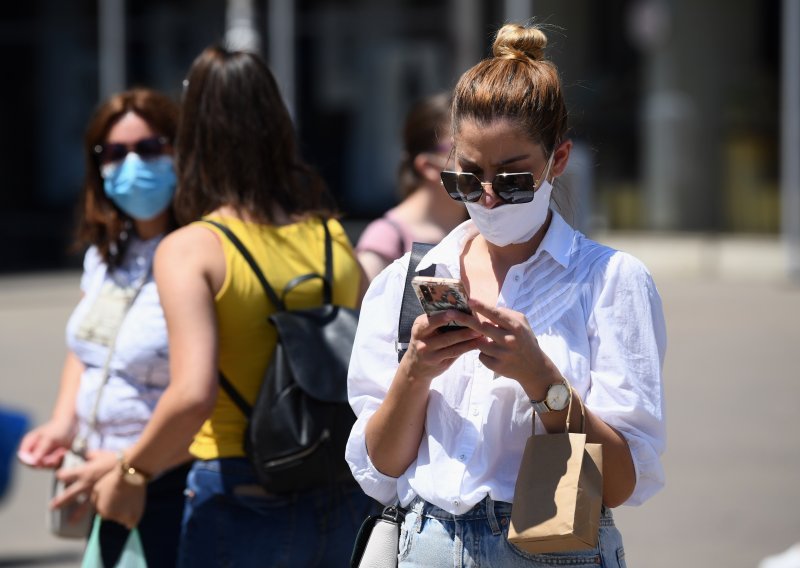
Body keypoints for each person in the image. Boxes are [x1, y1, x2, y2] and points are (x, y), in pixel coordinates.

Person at [345, 22, 667, 567]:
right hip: (429, 543)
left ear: (556, 162)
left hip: (549, 542)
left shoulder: (609, 280)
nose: (489, 198)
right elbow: (383, 465)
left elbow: (618, 482)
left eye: (513, 179)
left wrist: (543, 381)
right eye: (467, 180)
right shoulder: (411, 277)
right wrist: (416, 371)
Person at [92, 45, 374, 567]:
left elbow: (192, 394)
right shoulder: (332, 235)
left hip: (239, 491)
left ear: (194, 137)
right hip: (339, 493)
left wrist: (130, 474)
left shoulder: (192, 248)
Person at [16, 88, 190, 567]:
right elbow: (88, 347)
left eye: (150, 148)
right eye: (114, 152)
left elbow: (203, 389)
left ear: (182, 152)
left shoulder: (200, 254)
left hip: (167, 477)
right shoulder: (105, 254)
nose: (132, 164)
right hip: (98, 472)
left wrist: (131, 466)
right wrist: (62, 422)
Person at [356, 92, 467, 282]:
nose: (480, 161)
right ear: (428, 166)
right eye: (464, 150)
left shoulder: (479, 230)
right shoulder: (386, 238)